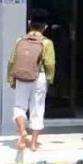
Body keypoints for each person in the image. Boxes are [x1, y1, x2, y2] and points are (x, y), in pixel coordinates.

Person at [7, 9, 56, 152]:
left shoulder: (19, 40)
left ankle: (22, 132)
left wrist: (11, 78)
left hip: (22, 77)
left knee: (19, 106)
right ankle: (34, 143)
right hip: (39, 77)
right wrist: (50, 78)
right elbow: (50, 64)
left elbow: (11, 61)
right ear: (45, 26)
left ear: (29, 23)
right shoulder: (47, 43)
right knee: (37, 109)